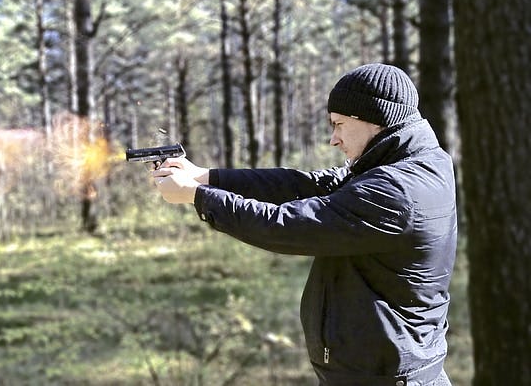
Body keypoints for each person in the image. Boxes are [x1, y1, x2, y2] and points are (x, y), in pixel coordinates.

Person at [152, 63, 456, 385]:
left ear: (374, 119)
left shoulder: (395, 189)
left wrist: (199, 197)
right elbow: (303, 185)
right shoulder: (410, 164)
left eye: (338, 124)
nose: (333, 139)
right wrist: (206, 176)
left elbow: (288, 226)